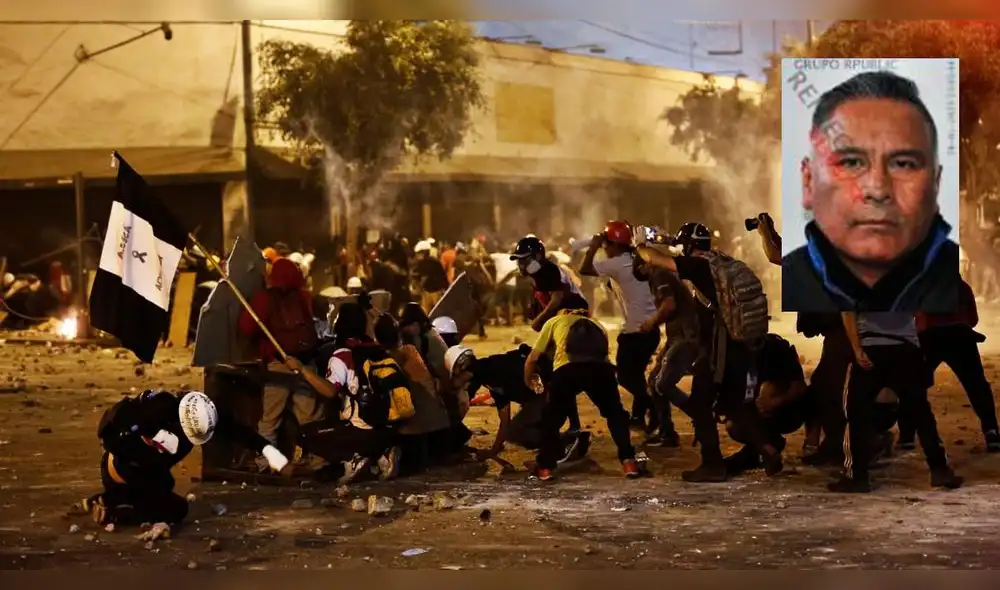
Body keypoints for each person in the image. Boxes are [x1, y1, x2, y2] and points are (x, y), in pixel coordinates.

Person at [782, 70, 959, 313]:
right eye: (851, 163)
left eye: (903, 164)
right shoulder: (780, 289)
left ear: (936, 183)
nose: (877, 190)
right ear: (808, 181)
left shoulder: (963, 286)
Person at [637, 222, 777, 482]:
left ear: (688, 247)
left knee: (700, 404)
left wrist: (640, 245)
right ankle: (768, 449)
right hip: (740, 346)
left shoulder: (699, 266)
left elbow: (656, 259)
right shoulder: (721, 262)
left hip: (717, 351)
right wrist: (666, 239)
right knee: (736, 406)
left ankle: (712, 464)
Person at [79, 390, 287, 535]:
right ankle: (116, 508)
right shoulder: (157, 409)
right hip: (123, 470)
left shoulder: (205, 415)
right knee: (176, 510)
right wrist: (148, 434)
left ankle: (111, 499)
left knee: (165, 484)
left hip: (155, 472)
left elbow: (237, 431)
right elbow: (110, 427)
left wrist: (272, 454)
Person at [835, 312, 962, 492]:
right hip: (905, 346)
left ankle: (857, 475)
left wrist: (856, 348)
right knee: (921, 412)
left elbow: (848, 312)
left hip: (871, 346)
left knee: (856, 413)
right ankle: (939, 468)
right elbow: (921, 313)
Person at [286, 300, 404, 484]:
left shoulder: (342, 356)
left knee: (305, 434)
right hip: (388, 429)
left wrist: (302, 370)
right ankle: (381, 456)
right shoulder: (376, 349)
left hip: (361, 430)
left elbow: (330, 391)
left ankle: (354, 458)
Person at [523, 305, 641, 482]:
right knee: (615, 414)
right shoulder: (597, 324)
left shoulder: (555, 321)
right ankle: (629, 462)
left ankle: (545, 468)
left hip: (567, 370)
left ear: (562, 310)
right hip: (601, 371)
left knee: (552, 419)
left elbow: (533, 358)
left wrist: (528, 381)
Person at [579, 220, 662, 433]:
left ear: (614, 245)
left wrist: (593, 246)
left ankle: (654, 408)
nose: (604, 248)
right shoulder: (635, 258)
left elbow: (584, 269)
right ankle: (639, 417)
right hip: (650, 328)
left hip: (636, 330)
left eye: (606, 244)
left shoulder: (618, 262)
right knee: (637, 375)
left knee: (625, 377)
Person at [237, 258, 325, 458]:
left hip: (278, 366)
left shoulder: (264, 299)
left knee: (270, 420)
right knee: (310, 418)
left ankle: (268, 463)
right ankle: (318, 461)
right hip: (305, 365)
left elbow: (246, 328)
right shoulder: (305, 297)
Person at [451, 343, 590, 463]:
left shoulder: (497, 368)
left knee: (517, 430)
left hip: (550, 396)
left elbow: (542, 376)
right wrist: (493, 452)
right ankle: (569, 442)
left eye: (456, 375)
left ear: (464, 369)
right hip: (543, 398)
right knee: (515, 431)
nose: (456, 381)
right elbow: (504, 422)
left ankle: (560, 448)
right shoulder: (491, 381)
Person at [914, 279, 1000, 451]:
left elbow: (917, 321)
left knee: (914, 386)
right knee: (977, 385)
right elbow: (973, 320)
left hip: (930, 338)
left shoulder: (920, 286)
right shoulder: (962, 286)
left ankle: (907, 436)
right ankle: (991, 431)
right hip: (961, 336)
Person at [373, 313, 452, 474]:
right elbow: (427, 383)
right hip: (435, 423)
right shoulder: (410, 351)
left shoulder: (382, 360)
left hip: (409, 427)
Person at [509, 235, 588, 333]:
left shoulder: (549, 271)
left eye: (523, 259)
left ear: (537, 256)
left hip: (573, 319)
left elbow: (557, 299)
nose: (520, 264)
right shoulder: (537, 275)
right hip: (565, 320)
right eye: (518, 260)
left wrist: (539, 320)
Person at [412, 240, 449, 314]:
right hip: (431, 291)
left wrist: (418, 288)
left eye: (418, 253)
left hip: (434, 292)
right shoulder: (432, 262)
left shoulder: (428, 263)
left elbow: (424, 277)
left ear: (424, 252)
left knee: (433, 312)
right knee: (434, 312)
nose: (417, 255)